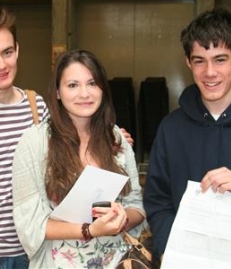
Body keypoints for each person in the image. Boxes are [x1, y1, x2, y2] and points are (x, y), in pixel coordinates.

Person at [143, 7, 231, 268]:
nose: (210, 72)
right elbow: (158, 200)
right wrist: (166, 250)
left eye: (220, 59)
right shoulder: (171, 128)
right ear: (188, 62)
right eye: (200, 60)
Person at [11, 49, 145, 268]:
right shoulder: (35, 143)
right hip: (59, 262)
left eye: (92, 83)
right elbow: (30, 223)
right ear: (57, 92)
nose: (85, 94)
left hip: (116, 261)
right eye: (73, 85)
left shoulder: (116, 138)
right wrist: (89, 229)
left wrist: (121, 219)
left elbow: (137, 206)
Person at [0, 4, 49, 268]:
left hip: (32, 250)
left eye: (7, 52)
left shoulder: (37, 106)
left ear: (17, 49)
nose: (1, 65)